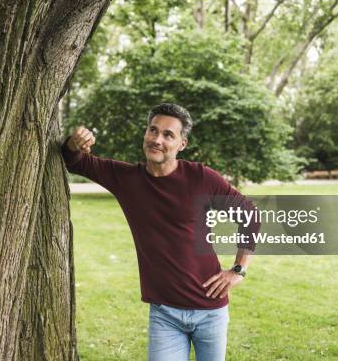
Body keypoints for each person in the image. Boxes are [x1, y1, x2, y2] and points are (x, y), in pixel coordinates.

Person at [61, 103, 260, 361]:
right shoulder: (126, 178)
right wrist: (75, 142)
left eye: (168, 135)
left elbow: (250, 216)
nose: (157, 139)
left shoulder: (202, 178)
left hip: (210, 310)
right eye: (153, 131)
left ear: (182, 144)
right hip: (164, 314)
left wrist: (238, 270)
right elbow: (74, 161)